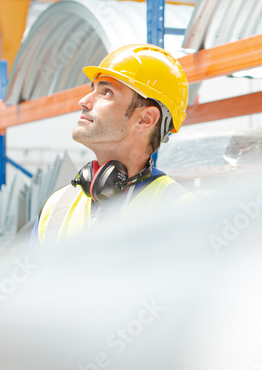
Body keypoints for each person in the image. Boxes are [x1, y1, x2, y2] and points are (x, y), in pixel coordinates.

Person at [32, 44, 193, 248]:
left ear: (145, 119)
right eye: (93, 89)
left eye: (106, 92)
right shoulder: (55, 207)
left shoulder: (182, 212)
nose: (84, 101)